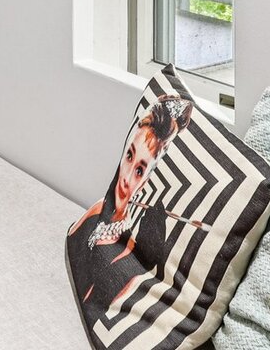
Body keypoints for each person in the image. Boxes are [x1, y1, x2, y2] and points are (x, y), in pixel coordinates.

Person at [66, 95, 192, 318]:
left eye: (140, 170)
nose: (125, 177)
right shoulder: (96, 213)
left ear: (147, 179)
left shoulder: (129, 252)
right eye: (130, 156)